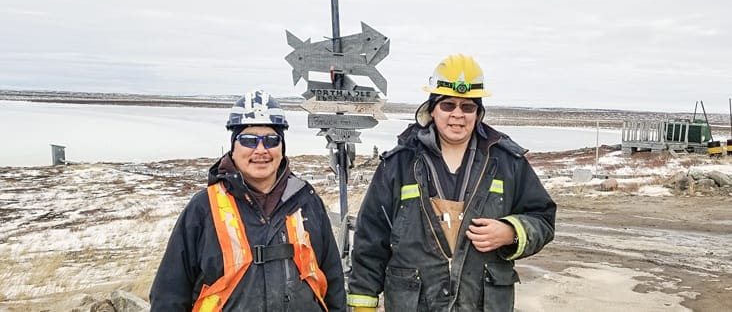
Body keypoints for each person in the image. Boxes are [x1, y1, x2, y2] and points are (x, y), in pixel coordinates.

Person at [346, 54, 556, 311]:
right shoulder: (399, 164)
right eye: (448, 105)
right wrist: (362, 305)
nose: (458, 114)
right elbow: (371, 240)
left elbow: (543, 218)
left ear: (478, 113)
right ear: (432, 109)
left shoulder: (507, 162)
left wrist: (511, 232)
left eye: (467, 107)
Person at [150, 90, 346, 311]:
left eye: (271, 140)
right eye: (249, 140)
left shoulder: (307, 201)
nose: (261, 150)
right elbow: (169, 295)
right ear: (234, 147)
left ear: (282, 147)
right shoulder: (203, 208)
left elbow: (334, 285)